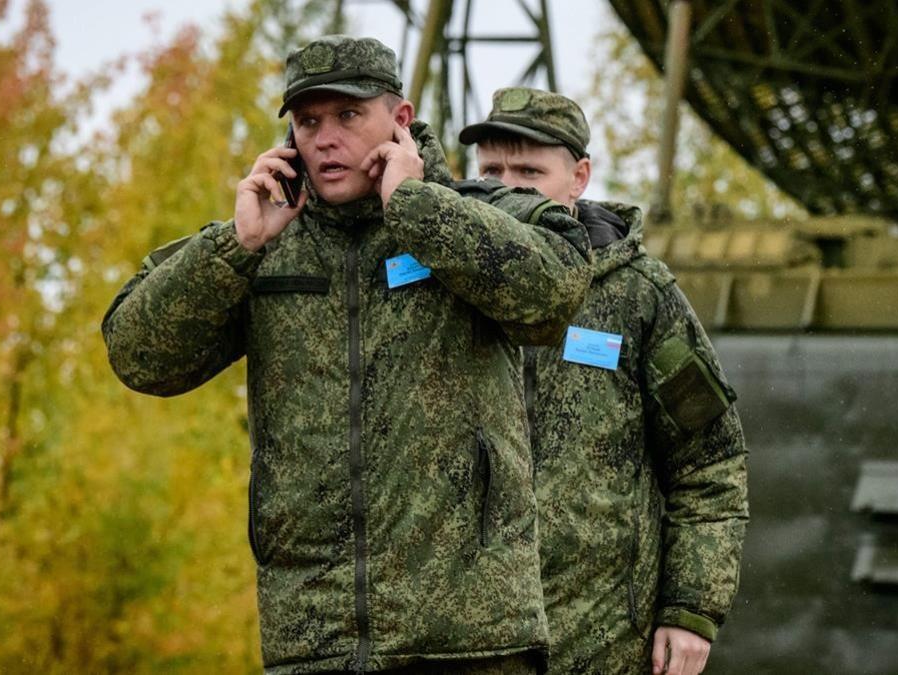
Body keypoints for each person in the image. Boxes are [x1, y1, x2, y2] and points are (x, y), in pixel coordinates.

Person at [103, 37, 594, 674]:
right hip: (314, 642)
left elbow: (553, 293)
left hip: (469, 640)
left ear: (400, 119)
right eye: (309, 122)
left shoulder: (473, 215)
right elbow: (139, 357)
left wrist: (417, 207)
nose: (326, 139)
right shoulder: (266, 242)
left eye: (348, 116)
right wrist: (236, 247)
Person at [460, 88, 749, 675]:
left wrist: (691, 608)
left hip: (603, 643)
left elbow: (710, 465)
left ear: (579, 178)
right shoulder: (442, 283)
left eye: (530, 171)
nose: (508, 186)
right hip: (464, 643)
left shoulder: (639, 296)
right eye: (491, 169)